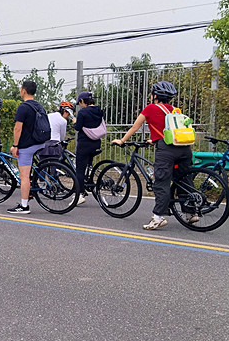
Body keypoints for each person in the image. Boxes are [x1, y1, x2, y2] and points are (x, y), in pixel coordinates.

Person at [112, 80, 193, 230]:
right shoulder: (175, 110)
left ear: (155, 95)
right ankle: (191, 213)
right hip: (184, 148)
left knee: (161, 182)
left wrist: (122, 140)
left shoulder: (150, 108)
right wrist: (153, 139)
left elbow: (136, 126)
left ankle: (158, 217)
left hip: (167, 150)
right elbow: (169, 130)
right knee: (183, 179)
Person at [8, 80, 48, 214]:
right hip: (40, 142)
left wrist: (15, 145)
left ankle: (24, 206)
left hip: (27, 145)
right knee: (29, 172)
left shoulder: (23, 107)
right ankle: (31, 190)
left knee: (24, 176)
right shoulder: (39, 106)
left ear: (23, 91)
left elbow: (17, 128)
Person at [73, 91, 105, 203]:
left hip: (84, 144)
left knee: (80, 170)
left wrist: (74, 122)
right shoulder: (99, 111)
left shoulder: (82, 113)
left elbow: (78, 127)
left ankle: (80, 194)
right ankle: (90, 181)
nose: (80, 105)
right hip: (96, 143)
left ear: (82, 101)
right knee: (89, 165)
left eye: (80, 102)